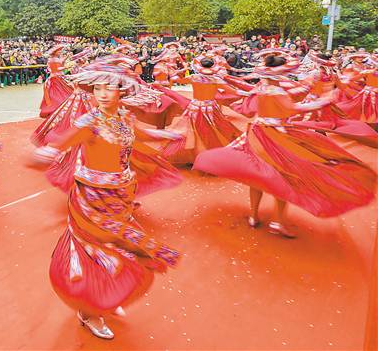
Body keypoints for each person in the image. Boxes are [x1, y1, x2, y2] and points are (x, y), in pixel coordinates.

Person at [32, 58, 183, 340]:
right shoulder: (88, 122)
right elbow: (60, 144)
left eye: (109, 88)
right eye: (98, 88)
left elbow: (138, 135)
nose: (102, 93)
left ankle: (100, 299)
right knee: (95, 248)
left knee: (114, 247)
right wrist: (45, 154)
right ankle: (90, 311)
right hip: (91, 196)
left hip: (121, 193)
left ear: (121, 92)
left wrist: (163, 133)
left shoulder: (125, 117)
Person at [193, 54, 376, 238]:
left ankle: (254, 216)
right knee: (282, 177)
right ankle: (277, 222)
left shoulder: (262, 88)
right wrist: (323, 100)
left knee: (256, 175)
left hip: (256, 132)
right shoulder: (277, 91)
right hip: (273, 136)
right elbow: (294, 108)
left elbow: (254, 94)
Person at [39, 44, 73, 118]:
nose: (60, 52)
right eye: (59, 51)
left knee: (62, 92)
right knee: (59, 94)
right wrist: (66, 67)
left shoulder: (55, 58)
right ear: (55, 52)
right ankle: (57, 107)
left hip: (59, 77)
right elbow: (57, 69)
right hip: (56, 78)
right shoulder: (52, 59)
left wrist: (66, 57)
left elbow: (60, 62)